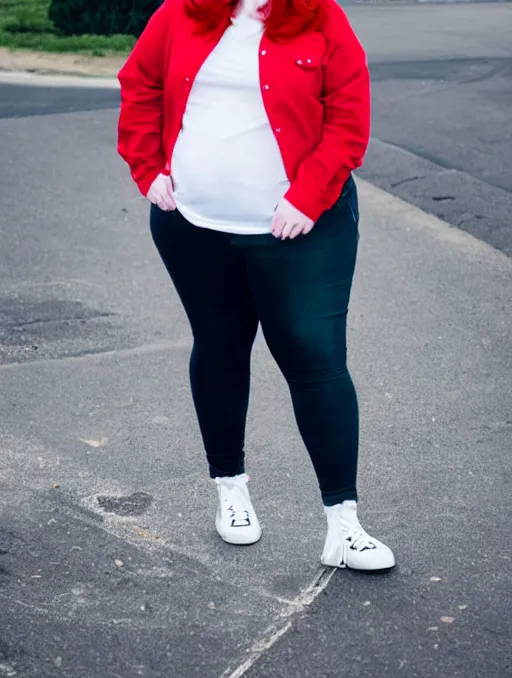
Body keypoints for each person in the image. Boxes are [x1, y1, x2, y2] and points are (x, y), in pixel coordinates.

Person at [118, 0, 395, 571]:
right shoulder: (179, 13)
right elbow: (139, 84)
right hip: (193, 225)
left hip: (302, 227)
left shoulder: (324, 20)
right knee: (219, 346)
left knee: (316, 360)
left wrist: (308, 196)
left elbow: (348, 120)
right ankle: (231, 492)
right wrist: (147, 168)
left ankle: (344, 526)